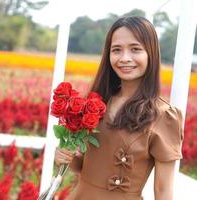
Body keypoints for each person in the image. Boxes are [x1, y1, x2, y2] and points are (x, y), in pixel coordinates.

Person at [54, 16, 184, 200]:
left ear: (151, 54)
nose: (125, 58)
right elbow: (81, 166)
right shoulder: (95, 103)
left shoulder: (163, 116)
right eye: (116, 50)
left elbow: (163, 192)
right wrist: (63, 155)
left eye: (135, 49)